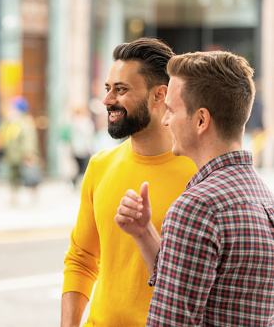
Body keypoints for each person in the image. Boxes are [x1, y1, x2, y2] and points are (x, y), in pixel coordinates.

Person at [116, 51, 274, 325]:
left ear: (201, 120)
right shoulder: (263, 197)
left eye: (172, 110)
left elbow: (171, 321)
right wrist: (144, 233)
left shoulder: (197, 207)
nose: (165, 120)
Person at [61, 37, 197, 326]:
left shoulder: (198, 174)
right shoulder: (100, 166)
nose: (108, 100)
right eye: (108, 89)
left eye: (121, 90)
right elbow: (81, 259)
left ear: (160, 96)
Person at [0, 96, 41, 205]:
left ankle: (33, 195)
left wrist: (29, 153)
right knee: (13, 176)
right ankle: (14, 196)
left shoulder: (25, 122)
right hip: (12, 155)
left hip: (23, 155)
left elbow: (29, 139)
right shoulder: (9, 122)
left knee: (29, 175)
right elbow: (5, 137)